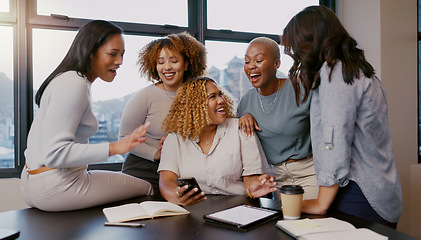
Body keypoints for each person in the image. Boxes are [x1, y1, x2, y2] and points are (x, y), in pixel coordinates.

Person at [281, 6, 403, 228]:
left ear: (311, 40)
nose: (296, 54)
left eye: (297, 46)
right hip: (381, 191)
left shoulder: (335, 73)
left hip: (359, 194)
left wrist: (321, 202)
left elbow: (333, 141)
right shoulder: (360, 70)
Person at [20, 20, 153, 212]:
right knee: (146, 188)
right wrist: (116, 147)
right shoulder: (75, 84)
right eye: (112, 54)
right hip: (57, 186)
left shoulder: (64, 79)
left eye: (122, 55)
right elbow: (55, 154)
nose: (120, 62)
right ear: (91, 52)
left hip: (33, 181)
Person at [158, 77, 277, 206]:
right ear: (195, 105)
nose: (221, 100)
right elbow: (166, 180)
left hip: (238, 207)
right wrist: (175, 195)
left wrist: (252, 187)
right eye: (212, 97)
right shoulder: (174, 139)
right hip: (195, 209)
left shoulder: (240, 128)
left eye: (220, 95)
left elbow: (251, 178)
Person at [119, 32, 206, 197]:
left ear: (186, 64)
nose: (167, 67)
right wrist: (158, 154)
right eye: (161, 62)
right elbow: (124, 138)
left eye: (174, 61)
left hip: (183, 171)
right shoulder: (144, 97)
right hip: (144, 169)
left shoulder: (198, 94)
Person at [237, 37, 318, 200]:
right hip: (275, 179)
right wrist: (243, 117)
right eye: (247, 61)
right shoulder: (247, 100)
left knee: (309, 222)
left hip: (310, 173)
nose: (251, 66)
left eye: (258, 60)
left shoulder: (300, 89)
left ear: (276, 64)